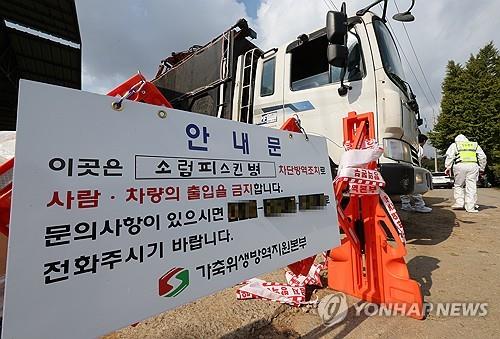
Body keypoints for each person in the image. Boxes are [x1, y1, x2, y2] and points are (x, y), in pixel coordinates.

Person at [444, 134, 487, 213]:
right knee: (471, 186)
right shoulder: (474, 144)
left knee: (458, 185)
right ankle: (470, 207)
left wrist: (448, 167)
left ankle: (459, 203)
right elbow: (482, 157)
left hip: (460, 166)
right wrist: (482, 168)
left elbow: (450, 156)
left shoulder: (455, 145)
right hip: (473, 166)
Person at [401, 134, 432, 213]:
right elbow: (417, 160)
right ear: (424, 141)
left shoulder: (406, 146)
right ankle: (419, 205)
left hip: (404, 168)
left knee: (405, 187)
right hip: (413, 169)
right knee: (416, 188)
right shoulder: (419, 148)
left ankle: (405, 205)